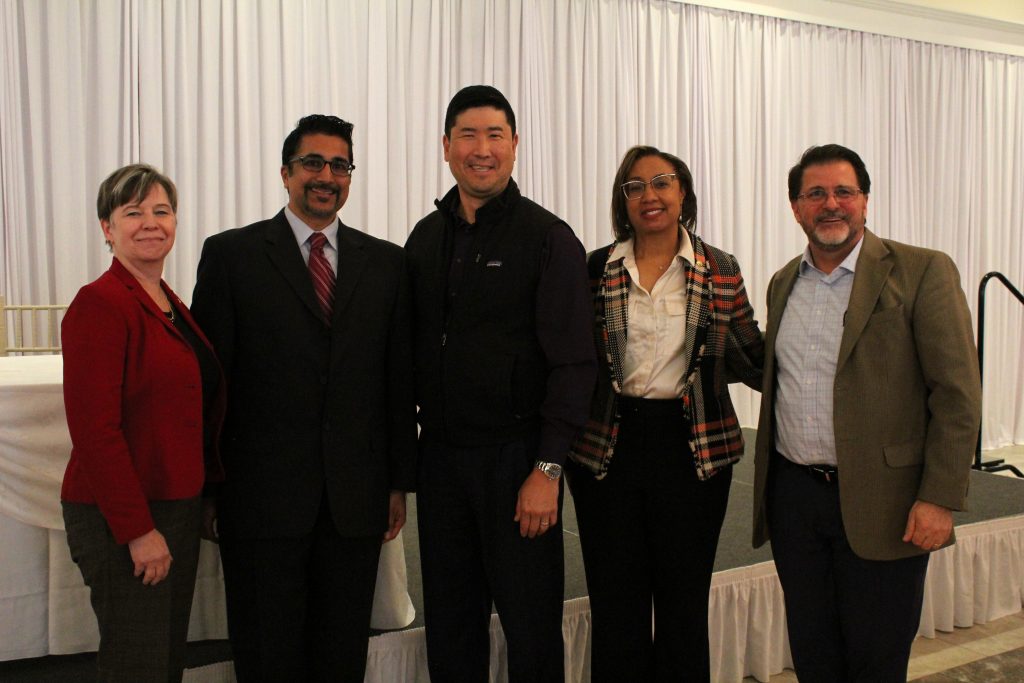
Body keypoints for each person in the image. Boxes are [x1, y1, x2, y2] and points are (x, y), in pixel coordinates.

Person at [190, 114, 417, 682]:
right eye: (313, 163)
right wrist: (210, 486)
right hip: (259, 499)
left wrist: (396, 481)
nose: (327, 175)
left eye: (340, 165)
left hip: (354, 499)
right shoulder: (231, 257)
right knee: (268, 654)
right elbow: (209, 384)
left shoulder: (386, 264)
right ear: (286, 173)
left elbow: (397, 382)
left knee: (340, 653)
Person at [751, 144, 982, 682]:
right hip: (796, 503)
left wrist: (940, 496)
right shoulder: (784, 282)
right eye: (815, 194)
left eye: (843, 192)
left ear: (865, 201)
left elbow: (956, 393)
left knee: (876, 662)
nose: (831, 204)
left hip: (888, 504)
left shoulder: (922, 270)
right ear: (795, 207)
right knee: (814, 655)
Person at [405, 85, 596, 683]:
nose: (481, 149)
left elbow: (575, 364)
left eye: (495, 135)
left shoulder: (548, 238)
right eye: (468, 135)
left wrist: (547, 470)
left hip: (520, 466)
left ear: (515, 146)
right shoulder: (423, 239)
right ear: (445, 146)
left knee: (531, 627)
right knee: (451, 624)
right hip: (440, 463)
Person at [566, 145, 764, 682]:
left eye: (661, 182)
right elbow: (573, 361)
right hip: (608, 450)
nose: (649, 195)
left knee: (683, 602)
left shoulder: (719, 268)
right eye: (635, 186)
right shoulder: (594, 269)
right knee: (615, 602)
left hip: (694, 452)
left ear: (683, 193)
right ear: (622, 200)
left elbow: (749, 352)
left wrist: (823, 379)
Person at [61, 164, 225, 682]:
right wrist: (137, 531)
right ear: (107, 228)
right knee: (138, 660)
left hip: (171, 506)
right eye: (133, 212)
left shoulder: (169, 301)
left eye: (162, 210)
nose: (150, 223)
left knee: (162, 655)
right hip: (124, 514)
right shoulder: (100, 304)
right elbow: (95, 432)